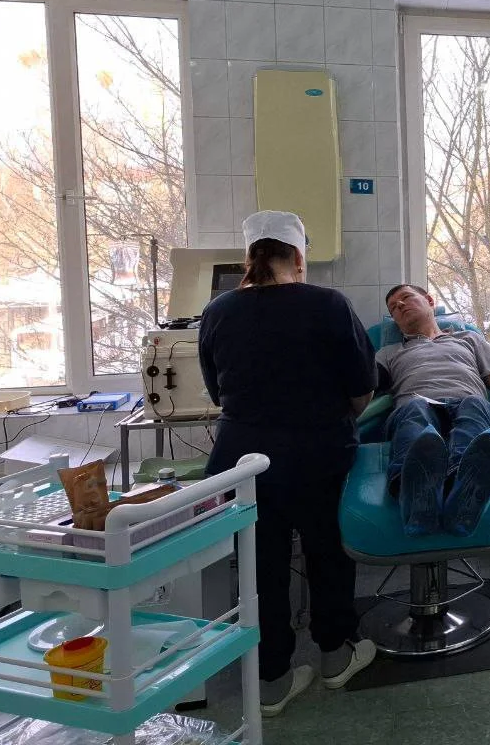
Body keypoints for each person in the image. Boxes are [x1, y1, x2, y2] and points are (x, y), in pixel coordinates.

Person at [199, 211, 378, 716]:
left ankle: (272, 680)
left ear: (248, 258)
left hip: (243, 461)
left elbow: (217, 392)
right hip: (318, 452)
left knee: (260, 568)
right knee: (327, 554)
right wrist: (333, 415)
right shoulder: (328, 304)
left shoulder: (217, 311)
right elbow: (362, 387)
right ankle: (336, 657)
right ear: (298, 256)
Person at [376, 284, 490, 536]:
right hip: (417, 407)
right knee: (415, 410)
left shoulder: (469, 340)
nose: (400, 306)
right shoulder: (388, 353)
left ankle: (463, 492)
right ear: (394, 320)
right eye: (393, 307)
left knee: (475, 403)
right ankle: (416, 496)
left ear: (429, 301)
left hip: (469, 408)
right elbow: (363, 387)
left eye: (406, 297)